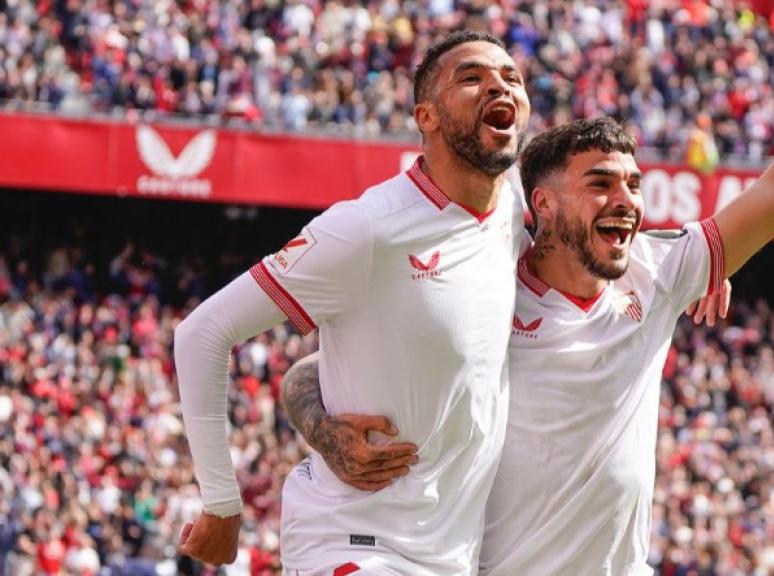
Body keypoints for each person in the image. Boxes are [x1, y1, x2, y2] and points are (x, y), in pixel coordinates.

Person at [281, 16, 774, 575]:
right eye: (600, 184)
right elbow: (310, 372)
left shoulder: (658, 272)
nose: (625, 200)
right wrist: (323, 430)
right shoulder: (485, 285)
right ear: (543, 205)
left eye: (633, 185)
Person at [174, 30, 534, 574]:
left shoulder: (510, 207)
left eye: (511, 78)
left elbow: (329, 366)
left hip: (451, 554)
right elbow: (202, 332)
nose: (498, 87)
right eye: (471, 77)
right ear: (426, 117)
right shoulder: (366, 228)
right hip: (355, 541)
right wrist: (221, 504)